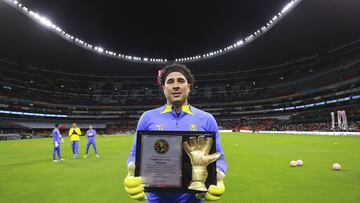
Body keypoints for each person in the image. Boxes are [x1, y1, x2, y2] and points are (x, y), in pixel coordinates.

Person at [124, 64, 227, 202]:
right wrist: (131, 172)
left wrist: (218, 175)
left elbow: (218, 157)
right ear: (163, 88)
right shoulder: (147, 118)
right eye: (170, 82)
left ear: (189, 87)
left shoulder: (206, 119)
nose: (176, 86)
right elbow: (134, 155)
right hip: (157, 199)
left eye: (181, 81)